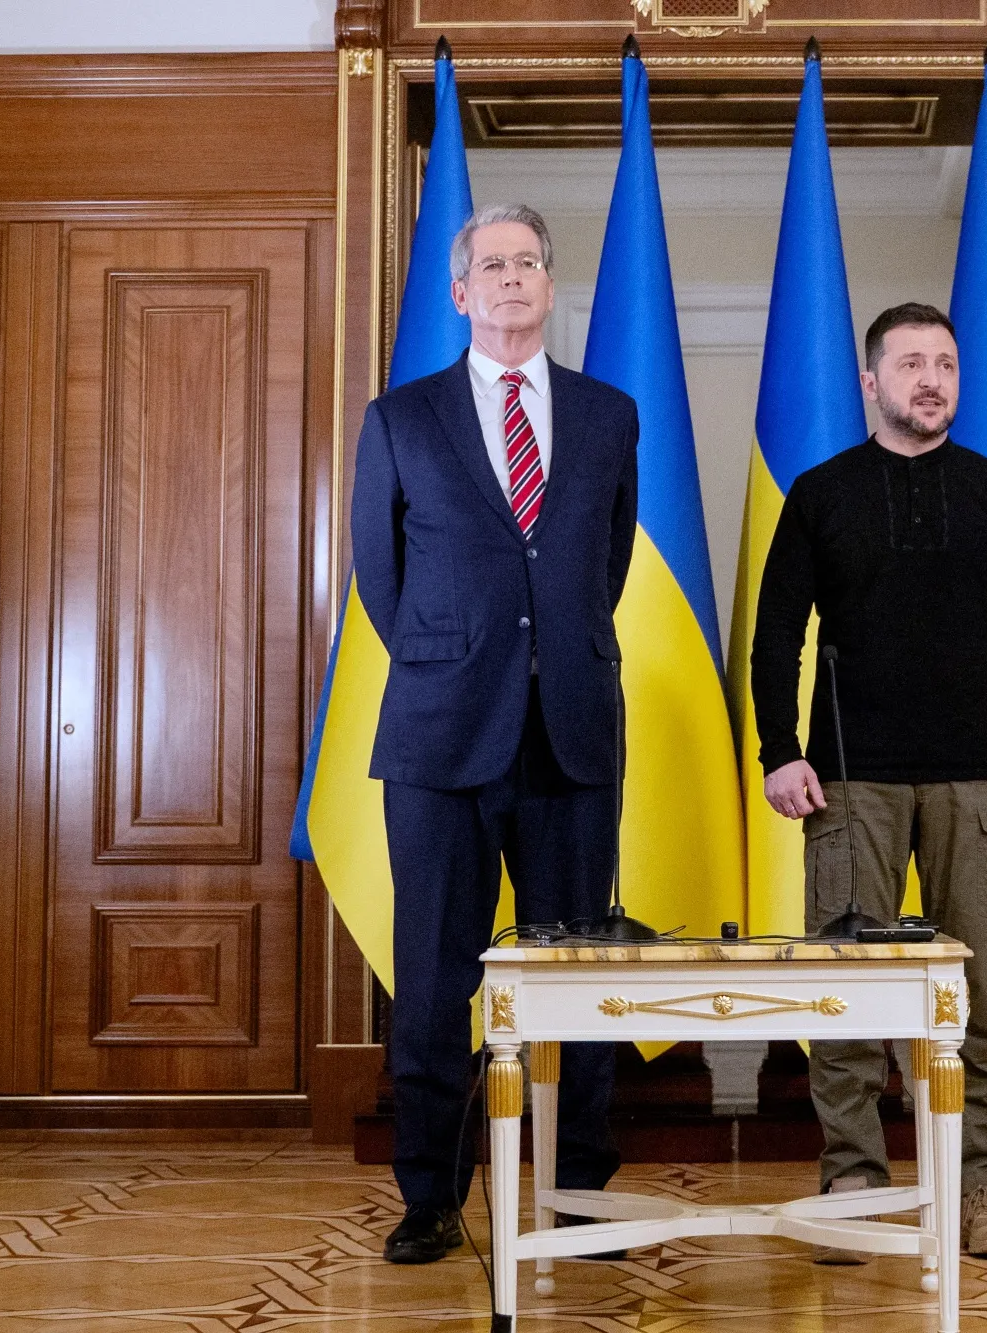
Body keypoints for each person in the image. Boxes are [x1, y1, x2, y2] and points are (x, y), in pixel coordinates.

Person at [352, 203, 639, 1265]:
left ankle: (578, 1193)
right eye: (490, 265)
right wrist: (457, 654)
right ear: (460, 292)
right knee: (432, 978)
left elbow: (600, 566)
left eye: (528, 263)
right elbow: (381, 580)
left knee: (580, 975)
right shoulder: (401, 417)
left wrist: (543, 651)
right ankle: (430, 1195)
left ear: (547, 287)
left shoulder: (608, 414)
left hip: (570, 731)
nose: (511, 278)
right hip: (438, 737)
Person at [750, 302, 987, 1260]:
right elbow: (774, 638)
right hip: (850, 786)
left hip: (977, 782)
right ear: (871, 383)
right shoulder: (819, 491)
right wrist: (779, 750)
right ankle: (853, 1184)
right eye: (912, 363)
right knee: (847, 999)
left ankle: (983, 1195)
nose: (933, 380)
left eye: (947, 364)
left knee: (984, 997)